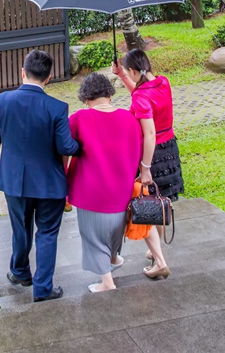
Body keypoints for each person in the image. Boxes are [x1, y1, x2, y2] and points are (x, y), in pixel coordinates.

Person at [0, 49, 80, 303]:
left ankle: (20, 272)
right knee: (47, 233)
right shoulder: (58, 108)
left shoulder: (0, 101)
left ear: (22, 72)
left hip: (13, 180)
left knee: (20, 229)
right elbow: (65, 147)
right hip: (50, 183)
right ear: (48, 78)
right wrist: (80, 145)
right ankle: (43, 288)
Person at [66, 73, 146, 293]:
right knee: (114, 229)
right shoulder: (129, 118)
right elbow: (136, 149)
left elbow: (65, 150)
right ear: (109, 94)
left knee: (92, 235)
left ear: (86, 97)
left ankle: (107, 282)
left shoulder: (79, 119)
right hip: (122, 187)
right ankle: (113, 258)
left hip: (90, 189)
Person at [113, 48, 184, 280]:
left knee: (145, 204)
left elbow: (149, 133)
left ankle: (160, 261)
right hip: (170, 149)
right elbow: (143, 94)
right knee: (161, 201)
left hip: (151, 152)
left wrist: (145, 167)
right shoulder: (163, 82)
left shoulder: (140, 97)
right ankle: (156, 249)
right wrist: (123, 77)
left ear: (135, 70)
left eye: (127, 72)